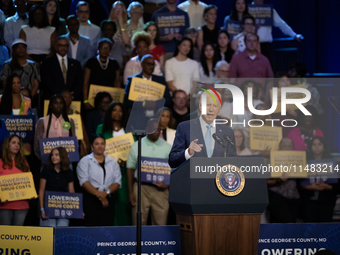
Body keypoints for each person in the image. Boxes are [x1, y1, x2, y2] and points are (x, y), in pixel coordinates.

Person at [169, 90, 236, 168]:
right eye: (208, 105)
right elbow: (172, 160)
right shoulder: (184, 127)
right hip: (192, 179)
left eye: (215, 106)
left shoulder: (227, 132)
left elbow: (232, 162)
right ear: (200, 106)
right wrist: (188, 152)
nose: (211, 109)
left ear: (219, 109)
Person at [127, 119, 172, 225]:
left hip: (161, 190)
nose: (156, 131)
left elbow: (173, 169)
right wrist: (130, 193)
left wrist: (168, 184)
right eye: (153, 129)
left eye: (159, 129)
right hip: (141, 189)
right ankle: (139, 242)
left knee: (160, 224)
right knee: (138, 224)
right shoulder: (136, 145)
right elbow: (130, 169)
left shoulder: (167, 147)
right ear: (147, 129)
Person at [95, 102, 130, 225]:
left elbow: (134, 151)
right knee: (106, 203)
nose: (117, 113)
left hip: (125, 173)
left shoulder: (129, 130)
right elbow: (96, 149)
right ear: (110, 112)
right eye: (114, 110)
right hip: (105, 171)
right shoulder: (101, 128)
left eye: (120, 110)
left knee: (123, 203)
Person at [76, 135, 121, 226]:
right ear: (91, 146)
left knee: (108, 228)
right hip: (91, 199)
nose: (100, 146)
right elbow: (84, 182)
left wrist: (106, 193)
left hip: (108, 199)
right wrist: (100, 196)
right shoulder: (84, 161)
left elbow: (117, 182)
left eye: (102, 144)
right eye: (97, 144)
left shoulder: (112, 161)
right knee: (92, 227)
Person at [301, 136, 338, 222]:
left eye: (319, 144)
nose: (317, 146)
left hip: (327, 200)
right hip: (308, 200)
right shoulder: (303, 162)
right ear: (310, 147)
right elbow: (299, 182)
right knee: (309, 228)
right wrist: (308, 187)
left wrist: (327, 187)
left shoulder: (332, 162)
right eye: (314, 144)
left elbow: (338, 185)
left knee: (324, 227)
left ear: (324, 147)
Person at [39, 147, 75, 227]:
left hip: (63, 208)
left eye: (56, 155)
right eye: (52, 155)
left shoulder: (68, 172)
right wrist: (42, 209)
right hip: (48, 208)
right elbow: (41, 190)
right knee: (49, 234)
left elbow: (71, 192)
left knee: (61, 233)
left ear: (62, 156)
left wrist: (76, 210)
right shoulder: (46, 170)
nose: (53, 157)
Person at [266, 138, 300, 223]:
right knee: (281, 224)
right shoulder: (271, 161)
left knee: (292, 225)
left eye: (289, 146)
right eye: (284, 146)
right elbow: (265, 181)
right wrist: (279, 180)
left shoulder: (299, 161)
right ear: (279, 148)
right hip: (276, 196)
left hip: (294, 197)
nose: (287, 148)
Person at [0, 135, 31, 226]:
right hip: (4, 205)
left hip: (21, 205)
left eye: (18, 144)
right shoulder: (0, 162)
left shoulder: (24, 163)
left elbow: (29, 181)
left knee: (17, 236)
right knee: (5, 236)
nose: (16, 145)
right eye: (13, 143)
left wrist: (31, 193)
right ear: (7, 145)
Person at [40, 36, 83, 101]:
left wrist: (71, 95)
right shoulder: (47, 63)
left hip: (72, 99)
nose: (63, 48)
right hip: (53, 98)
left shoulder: (76, 64)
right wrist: (61, 95)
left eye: (66, 46)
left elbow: (79, 82)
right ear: (56, 46)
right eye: (61, 45)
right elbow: (46, 81)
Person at [83, 38, 120, 110]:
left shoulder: (114, 64)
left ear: (110, 51)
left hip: (109, 100)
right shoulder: (91, 62)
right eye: (103, 47)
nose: (105, 50)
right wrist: (85, 100)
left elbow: (117, 82)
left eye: (107, 48)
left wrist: (117, 100)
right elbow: (85, 83)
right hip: (93, 99)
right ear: (98, 49)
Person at [34, 95, 76, 159]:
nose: (58, 105)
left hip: (66, 160)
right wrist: (44, 158)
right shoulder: (42, 121)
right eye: (55, 103)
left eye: (61, 103)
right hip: (48, 160)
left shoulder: (70, 121)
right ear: (51, 105)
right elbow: (37, 144)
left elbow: (73, 141)